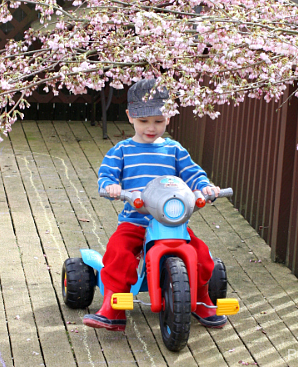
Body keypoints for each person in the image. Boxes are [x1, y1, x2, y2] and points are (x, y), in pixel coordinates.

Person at [83, 78, 226, 332]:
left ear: (168, 117)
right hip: (135, 220)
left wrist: (204, 187)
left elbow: (193, 173)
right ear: (130, 117)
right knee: (118, 252)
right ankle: (113, 307)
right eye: (144, 121)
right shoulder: (122, 151)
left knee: (202, 256)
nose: (151, 128)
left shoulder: (174, 150)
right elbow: (107, 176)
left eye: (159, 121)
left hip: (173, 222)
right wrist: (112, 187)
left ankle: (202, 299)